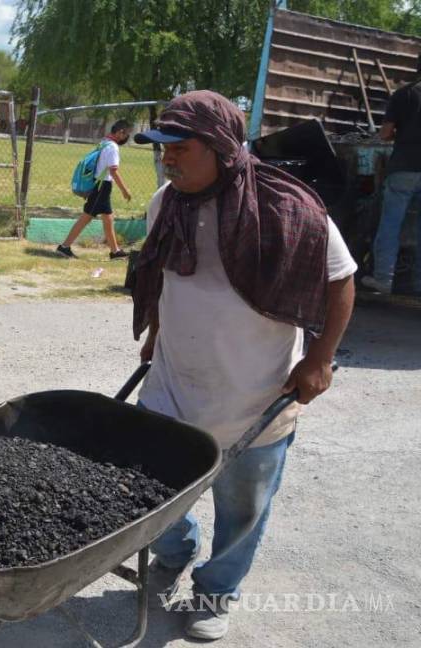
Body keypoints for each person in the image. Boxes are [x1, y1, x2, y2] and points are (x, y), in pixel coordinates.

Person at [131, 91, 356, 641]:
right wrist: (156, 333)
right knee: (151, 492)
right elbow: (161, 272)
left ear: (221, 147)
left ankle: (216, 593)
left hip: (255, 399)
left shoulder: (290, 207)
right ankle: (174, 549)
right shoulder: (166, 201)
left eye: (180, 148)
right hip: (172, 387)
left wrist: (320, 359)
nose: (168, 159)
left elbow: (341, 279)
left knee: (242, 512)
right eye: (163, 148)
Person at [365, 56, 421, 295]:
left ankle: (383, 280)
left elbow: (385, 134)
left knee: (390, 224)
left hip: (404, 168)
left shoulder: (404, 95)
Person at [57, 120, 134, 259]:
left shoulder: (104, 142)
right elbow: (114, 171)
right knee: (87, 218)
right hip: (101, 187)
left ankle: (115, 251)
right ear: (119, 132)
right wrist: (125, 190)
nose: (127, 137)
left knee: (108, 218)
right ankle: (64, 247)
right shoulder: (113, 147)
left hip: (99, 186)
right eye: (126, 134)